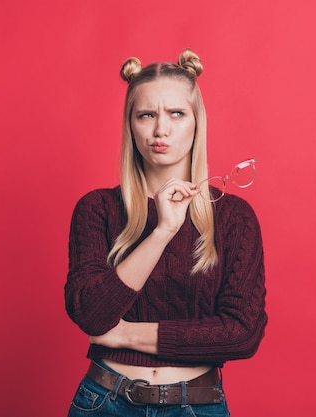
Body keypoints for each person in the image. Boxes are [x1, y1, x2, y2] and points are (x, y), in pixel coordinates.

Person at [64, 48, 267, 417]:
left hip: (197, 405)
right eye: (146, 115)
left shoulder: (234, 218)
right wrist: (164, 230)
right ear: (131, 125)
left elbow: (242, 332)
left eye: (176, 113)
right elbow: (92, 316)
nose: (161, 129)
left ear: (196, 122)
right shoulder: (97, 210)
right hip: (105, 403)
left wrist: (127, 335)